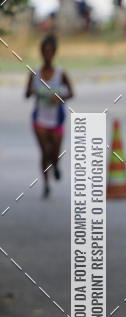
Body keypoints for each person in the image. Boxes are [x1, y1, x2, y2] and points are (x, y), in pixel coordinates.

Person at [25, 35, 73, 198]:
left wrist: (60, 97)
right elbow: (26, 93)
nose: (47, 54)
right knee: (44, 151)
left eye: (50, 51)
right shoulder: (34, 74)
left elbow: (71, 93)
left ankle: (56, 165)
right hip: (39, 119)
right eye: (44, 51)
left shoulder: (61, 73)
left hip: (57, 119)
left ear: (54, 53)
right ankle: (46, 184)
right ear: (41, 53)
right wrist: (31, 92)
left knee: (55, 152)